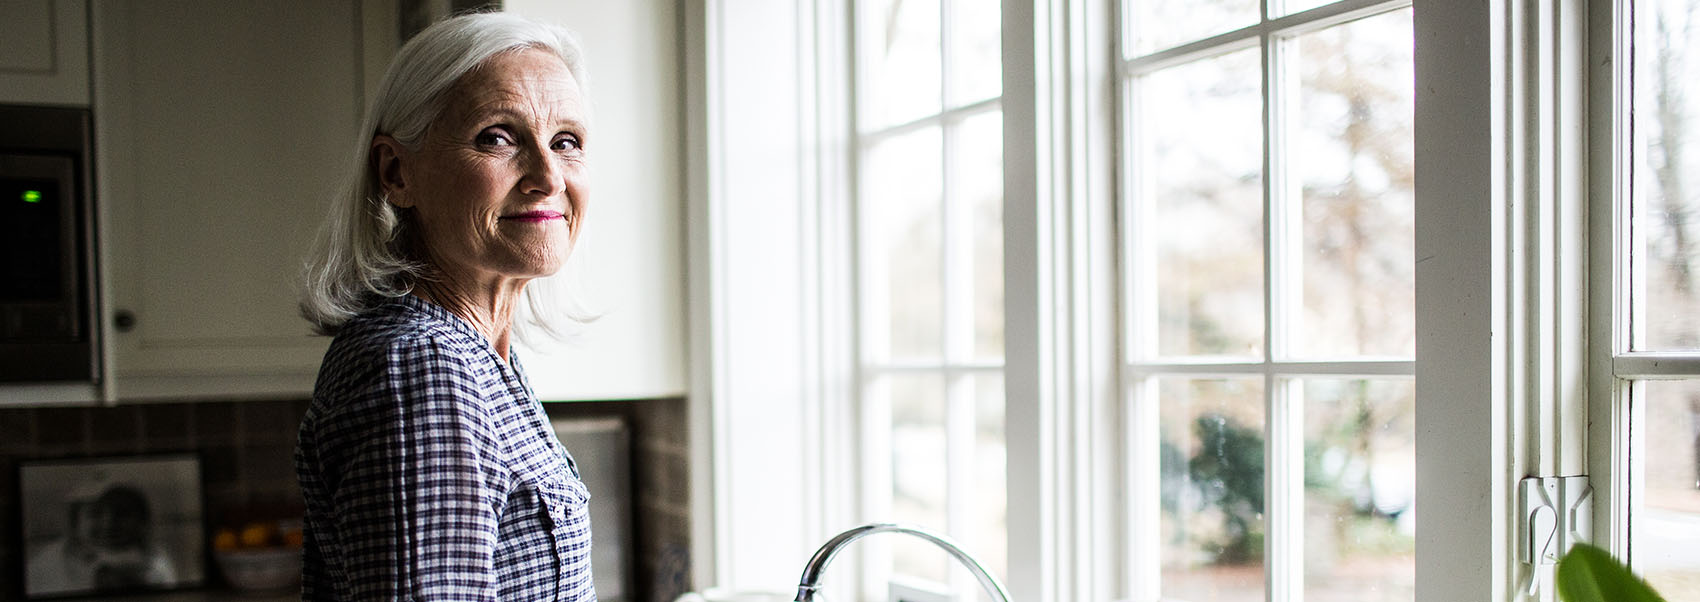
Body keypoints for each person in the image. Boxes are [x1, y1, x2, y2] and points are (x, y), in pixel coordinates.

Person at [294, 11, 596, 601]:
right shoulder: (424, 367)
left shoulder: (480, 355)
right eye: (498, 138)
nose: (547, 176)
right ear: (396, 172)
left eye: (567, 142)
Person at [26, 484, 176, 596]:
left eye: (122, 514)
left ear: (141, 521)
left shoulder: (156, 560)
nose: (109, 523)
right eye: (95, 514)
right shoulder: (49, 561)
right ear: (76, 522)